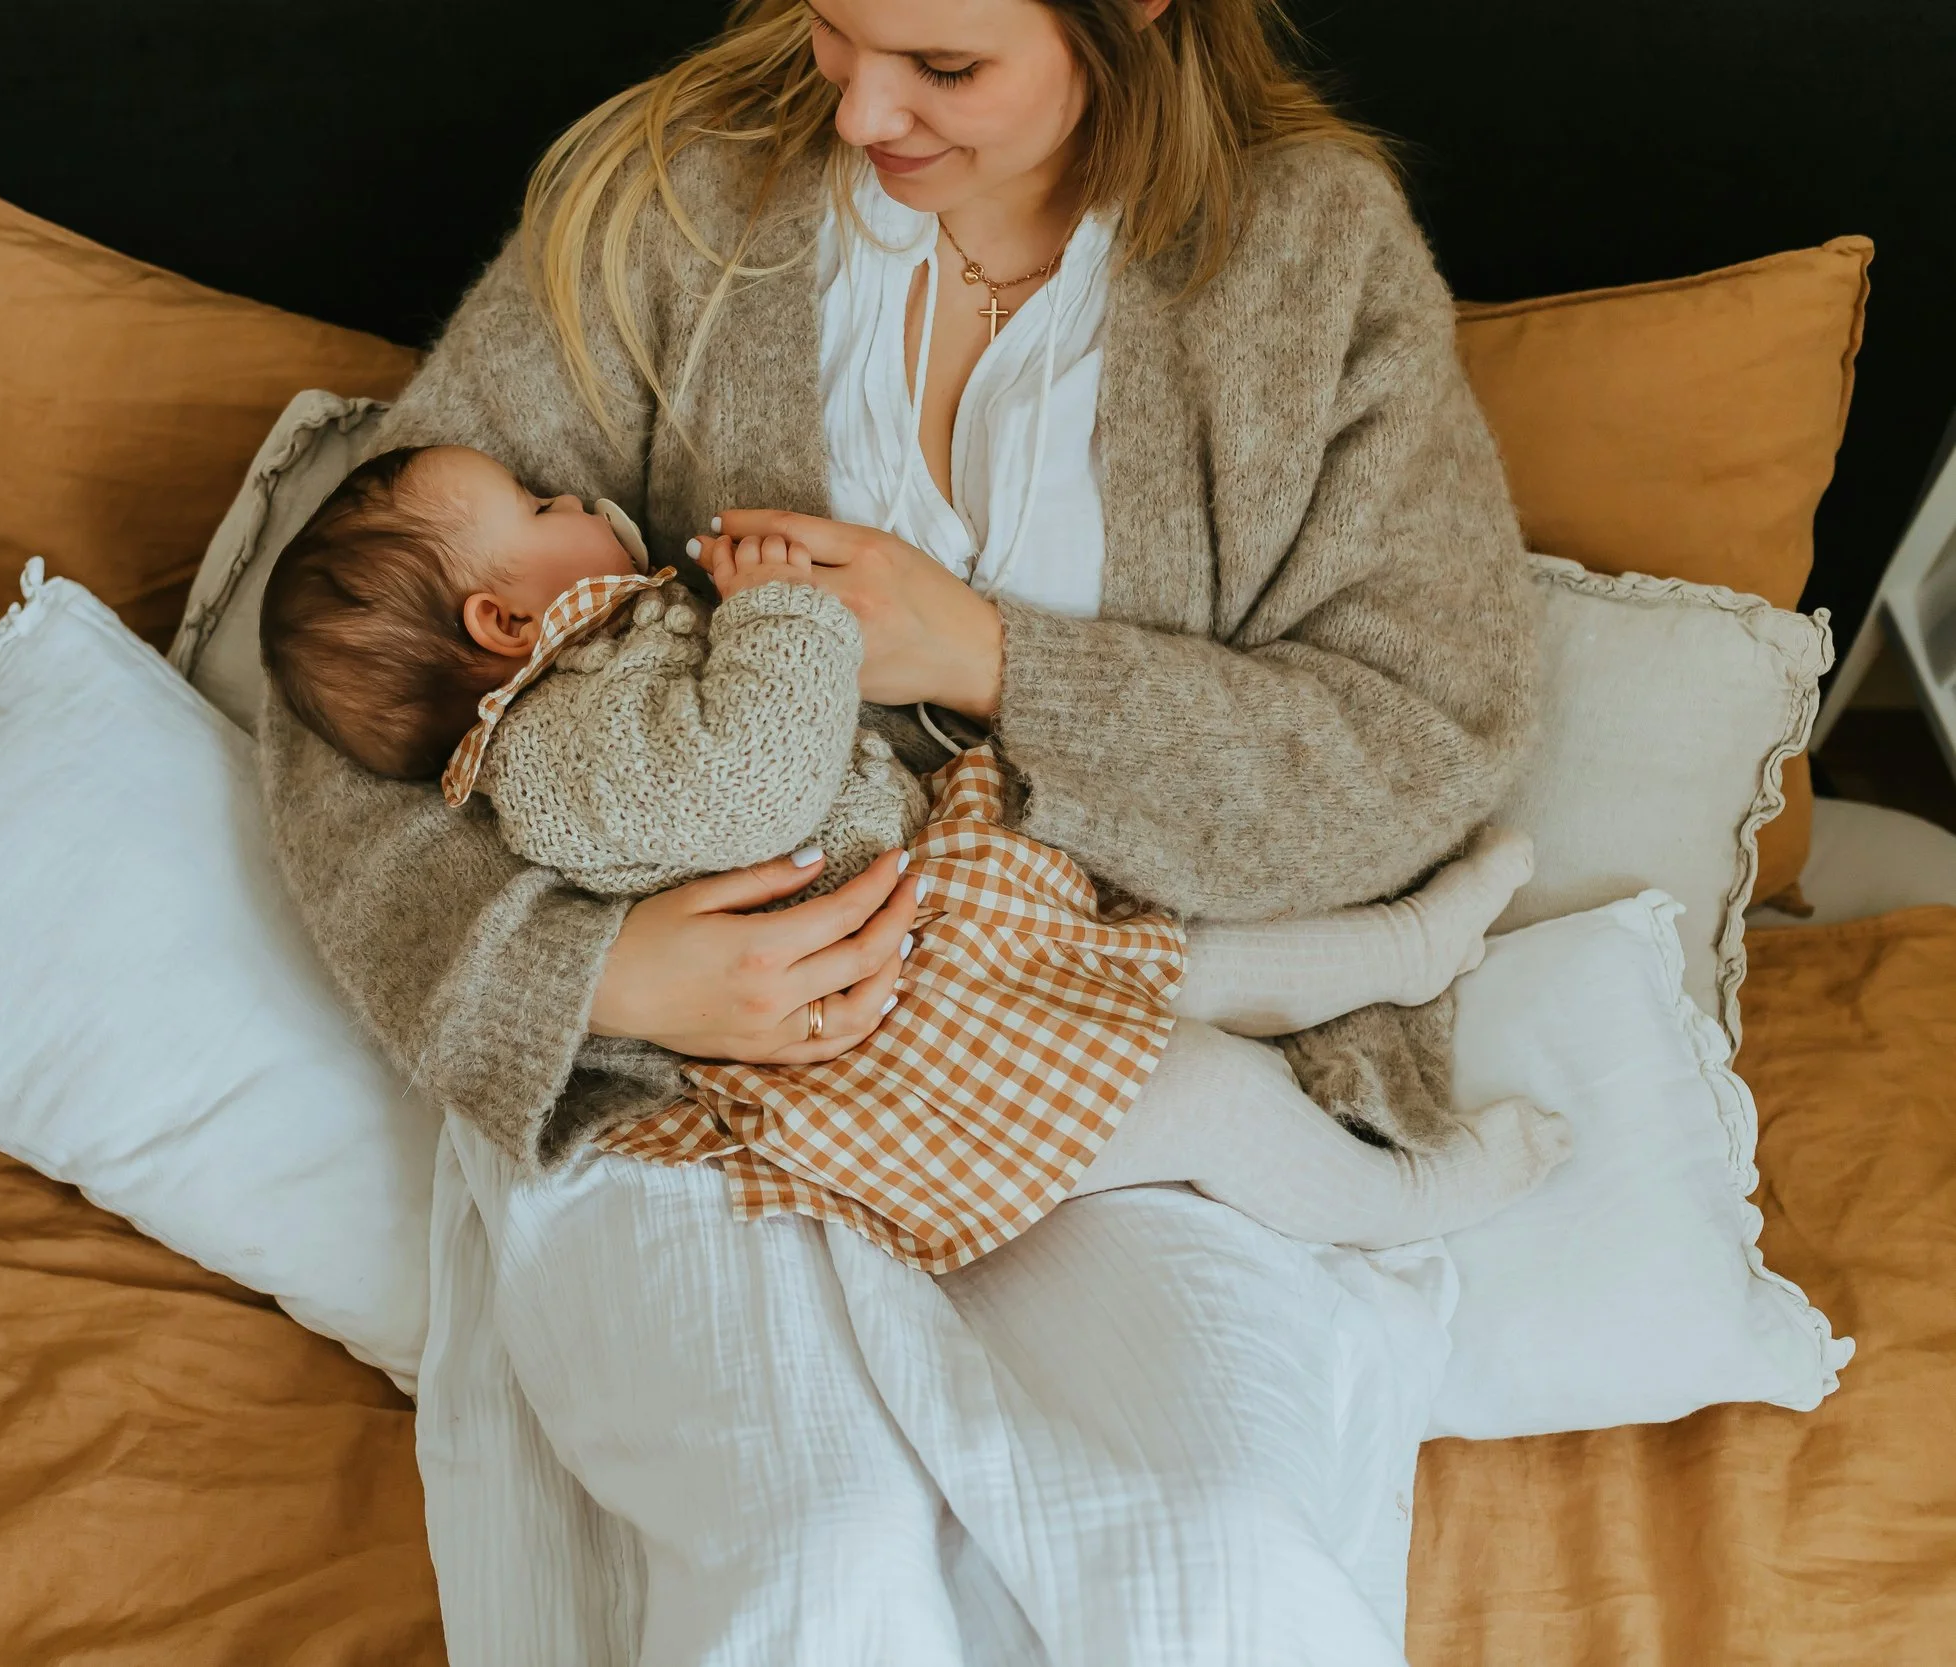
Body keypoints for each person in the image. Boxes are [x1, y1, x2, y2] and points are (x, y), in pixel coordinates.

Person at [259, 0, 1537, 1656]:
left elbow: (1431, 732)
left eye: (943, 66)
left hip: (1080, 1049)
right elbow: (362, 693)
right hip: (693, 1107)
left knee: (1210, 1553)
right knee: (813, 1552)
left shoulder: (1308, 263)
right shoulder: (683, 204)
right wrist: (593, 971)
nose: (861, 112)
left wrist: (1000, 664)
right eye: (829, 25)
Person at [262, 440, 1562, 1269]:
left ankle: (1411, 943)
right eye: (542, 502)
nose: (584, 495)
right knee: (1206, 1090)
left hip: (947, 917)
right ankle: (1413, 1198)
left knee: (1179, 958)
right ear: (505, 618)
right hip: (901, 1038)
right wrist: (782, 609)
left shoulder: (598, 665)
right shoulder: (554, 756)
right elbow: (753, 776)